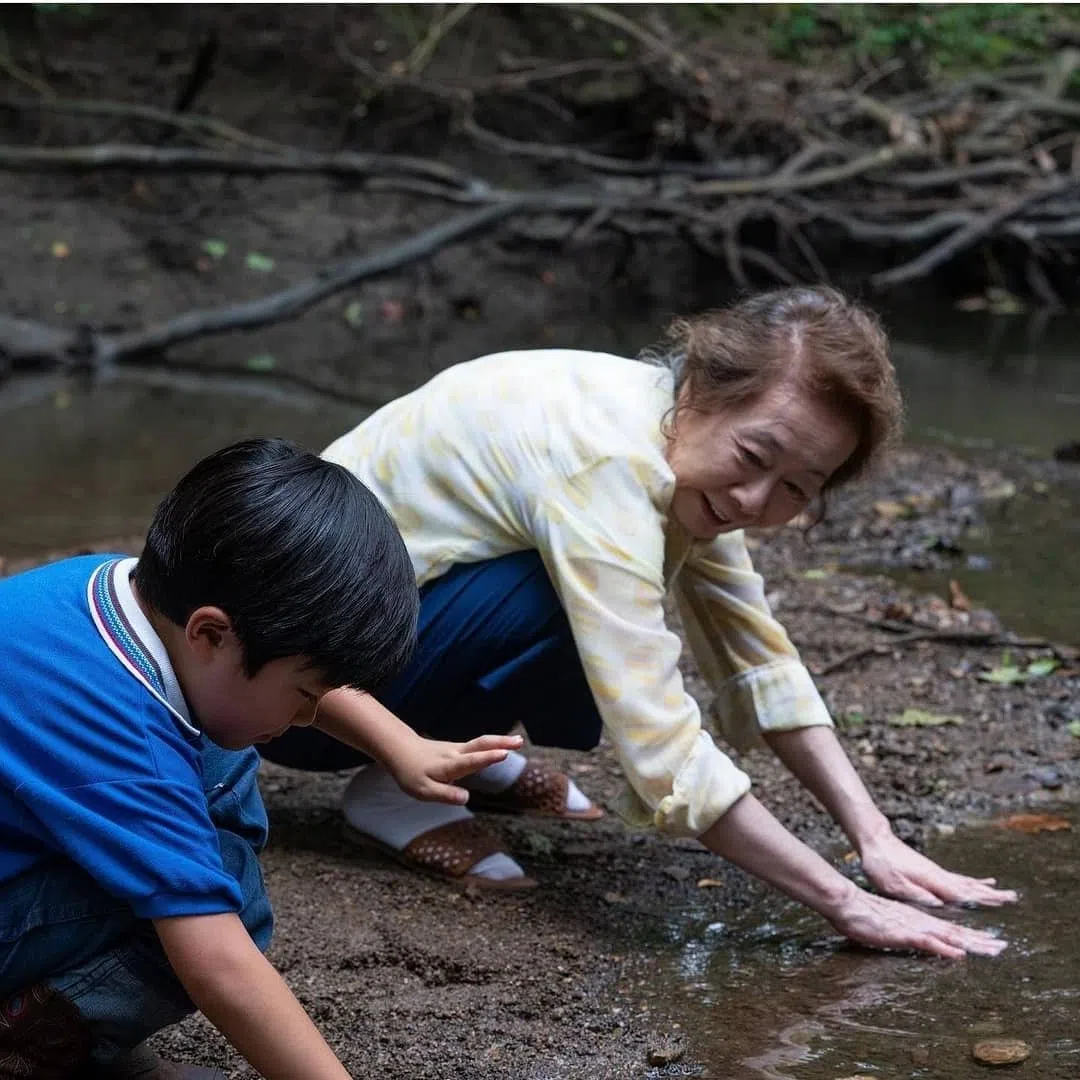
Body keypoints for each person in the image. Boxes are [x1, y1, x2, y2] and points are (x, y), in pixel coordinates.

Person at [262, 286, 1017, 959]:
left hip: (372, 638)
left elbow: (756, 658)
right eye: (754, 455)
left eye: (797, 486)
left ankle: (463, 745)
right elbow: (661, 744)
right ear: (699, 389)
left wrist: (874, 835)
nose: (757, 500)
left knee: (584, 582)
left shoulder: (670, 440)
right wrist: (847, 903)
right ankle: (399, 786)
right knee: (562, 597)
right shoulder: (609, 468)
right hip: (296, 698)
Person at [0, 438, 521, 1079]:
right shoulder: (123, 739)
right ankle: (35, 1046)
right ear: (211, 632)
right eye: (304, 696)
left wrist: (401, 747)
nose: (308, 715)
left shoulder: (122, 589)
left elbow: (280, 664)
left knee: (223, 758)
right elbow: (219, 964)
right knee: (232, 896)